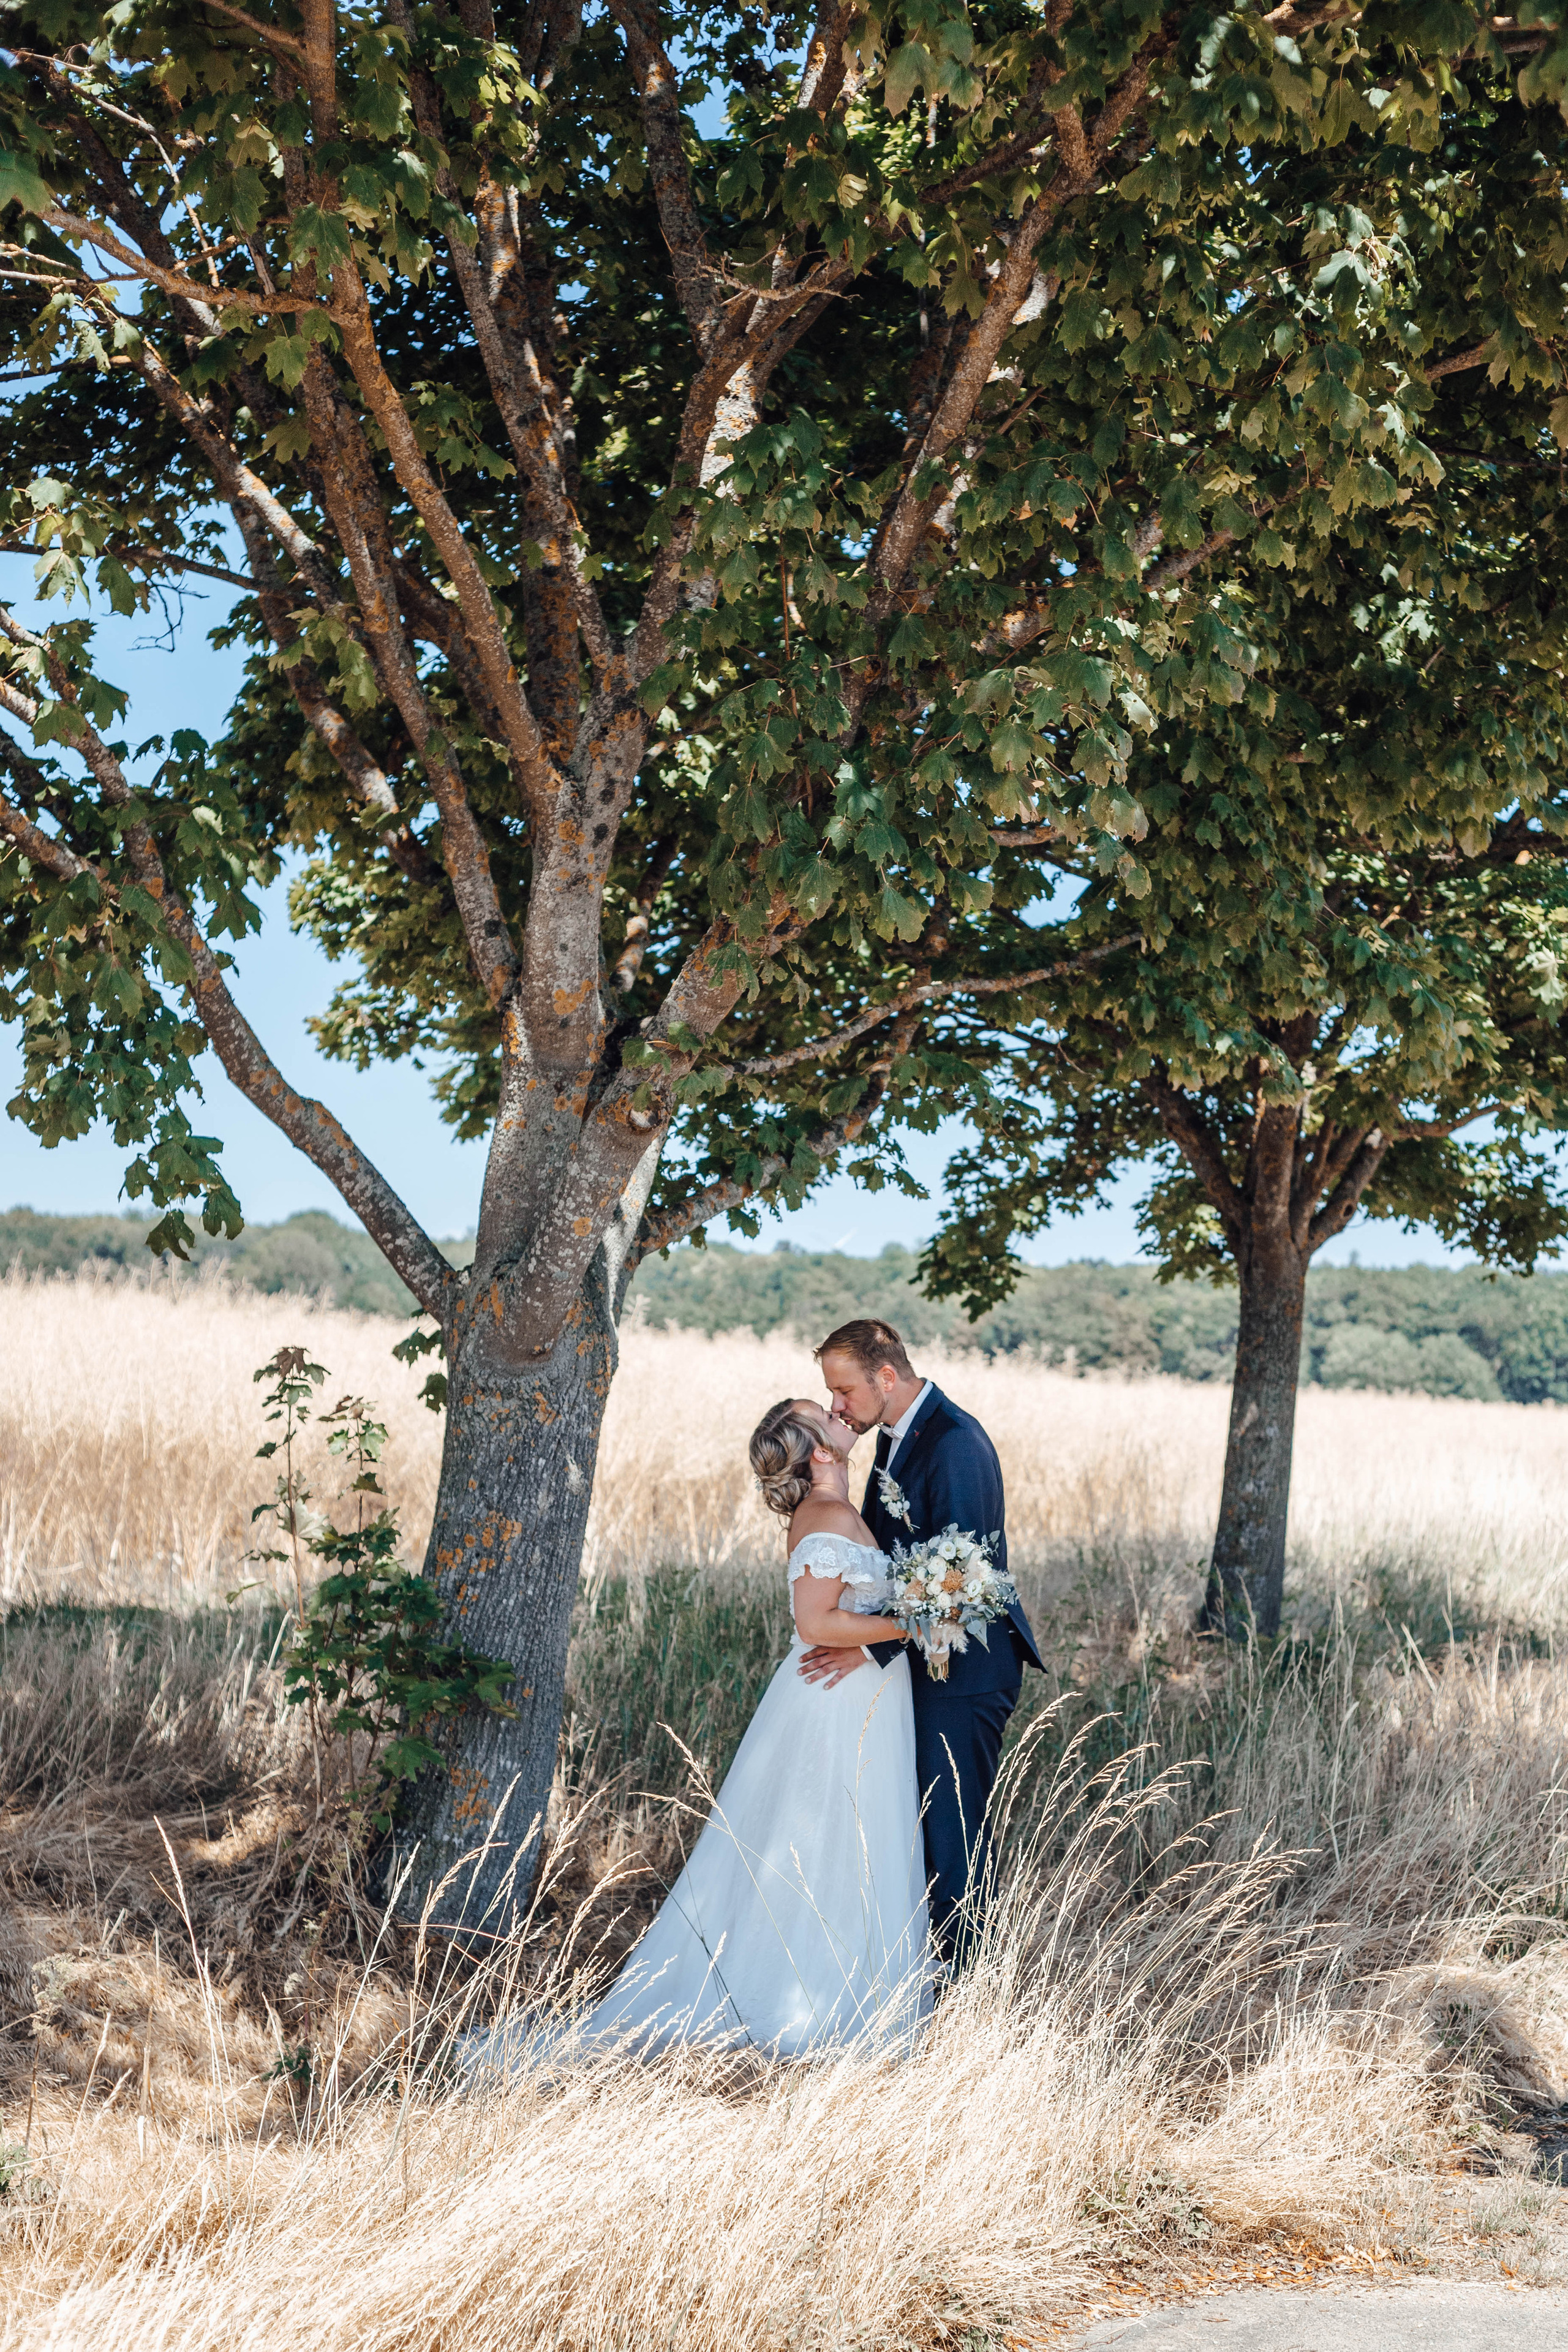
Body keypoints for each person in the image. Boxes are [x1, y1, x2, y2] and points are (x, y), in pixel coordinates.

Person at [467, 1398, 932, 2067]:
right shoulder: (825, 1517)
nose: (839, 1416)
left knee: (853, 1840)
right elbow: (817, 1626)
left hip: (862, 1693)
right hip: (831, 1704)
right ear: (819, 1453)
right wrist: (913, 1623)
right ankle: (804, 1998)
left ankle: (847, 1991)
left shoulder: (842, 1511)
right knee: (828, 1838)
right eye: (822, 1415)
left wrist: (890, 1631)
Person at [803, 1319, 1042, 1968]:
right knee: (922, 1831)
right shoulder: (896, 1435)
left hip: (965, 1674)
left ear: (886, 1376)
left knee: (952, 1835)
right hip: (925, 1664)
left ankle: (965, 1988)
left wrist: (870, 1647)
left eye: (844, 1391)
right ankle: (923, 1972)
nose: (837, 1408)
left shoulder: (954, 1443)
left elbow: (959, 1580)